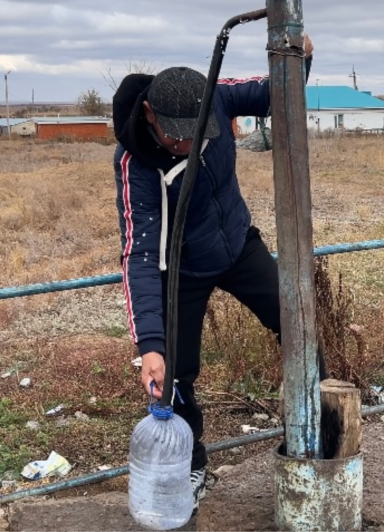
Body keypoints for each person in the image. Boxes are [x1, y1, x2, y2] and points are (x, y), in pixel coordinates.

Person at [111, 36, 315, 512]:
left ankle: (318, 425)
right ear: (150, 115)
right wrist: (150, 346)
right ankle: (194, 466)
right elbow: (140, 255)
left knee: (298, 323)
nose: (189, 146)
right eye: (178, 138)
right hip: (180, 268)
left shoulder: (216, 95)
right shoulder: (135, 164)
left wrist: (300, 61)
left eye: (198, 136)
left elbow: (278, 94)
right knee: (175, 375)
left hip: (237, 244)